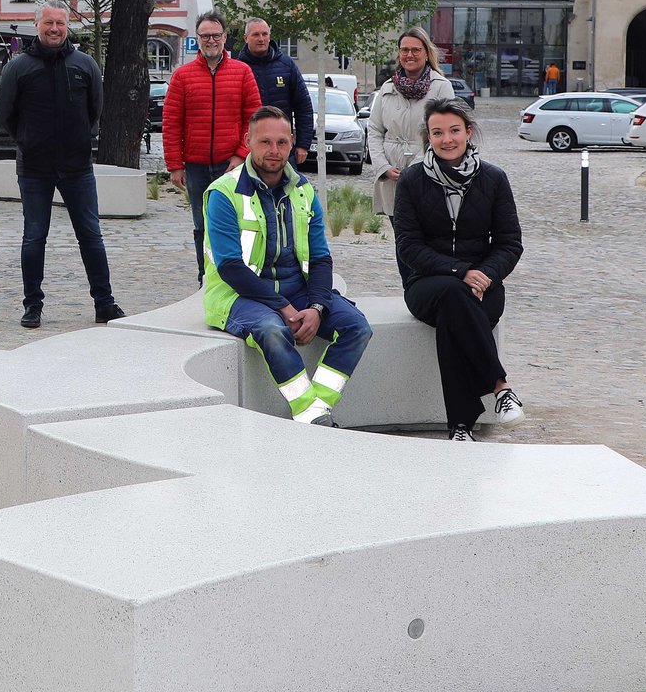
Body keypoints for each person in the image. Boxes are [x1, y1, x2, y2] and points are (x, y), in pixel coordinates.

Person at [202, 106, 371, 426]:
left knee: (357, 327)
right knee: (273, 329)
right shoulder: (223, 193)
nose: (274, 150)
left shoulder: (304, 191)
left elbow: (321, 258)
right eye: (265, 142)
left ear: (292, 142)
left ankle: (317, 406)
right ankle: (311, 413)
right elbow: (230, 268)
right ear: (247, 140)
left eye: (281, 142)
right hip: (240, 294)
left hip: (300, 289)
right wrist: (283, 308)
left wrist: (318, 306)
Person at [391, 98, 525, 441]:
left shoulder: (494, 179)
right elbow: (408, 247)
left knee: (455, 314)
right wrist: (461, 271)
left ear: (468, 132)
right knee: (453, 293)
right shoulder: (411, 180)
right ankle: (501, 387)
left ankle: (461, 427)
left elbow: (510, 243)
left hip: (485, 286)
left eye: (454, 130)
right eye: (438, 133)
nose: (447, 139)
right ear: (428, 137)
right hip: (424, 284)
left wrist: (485, 275)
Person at [0, 1, 126, 329]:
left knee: (91, 235)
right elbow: (4, 114)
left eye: (60, 24)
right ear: (36, 24)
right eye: (48, 23)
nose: (54, 29)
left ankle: (104, 303)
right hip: (34, 168)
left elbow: (94, 109)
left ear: (68, 27)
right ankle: (32, 306)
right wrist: (27, 140)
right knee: (34, 237)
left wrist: (79, 139)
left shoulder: (85, 65)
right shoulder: (18, 67)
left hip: (77, 166)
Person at [162, 11, 261, 281]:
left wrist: (241, 155)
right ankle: (205, 279)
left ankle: (240, 278)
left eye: (216, 35)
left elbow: (253, 119)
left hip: (232, 165)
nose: (211, 40)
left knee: (237, 223)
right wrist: (175, 165)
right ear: (197, 39)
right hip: (195, 166)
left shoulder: (242, 72)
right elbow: (171, 123)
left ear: (225, 38)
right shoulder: (183, 76)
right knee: (201, 226)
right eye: (205, 36)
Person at [366, 25, 457, 220]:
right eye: (405, 50)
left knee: (424, 239)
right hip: (392, 176)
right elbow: (374, 130)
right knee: (401, 239)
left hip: (428, 175)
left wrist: (417, 168)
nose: (410, 55)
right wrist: (383, 167)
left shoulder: (441, 87)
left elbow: (447, 133)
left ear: (426, 53)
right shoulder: (387, 88)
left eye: (416, 50)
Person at [233, 18, 315, 166]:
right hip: (248, 149)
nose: (261, 39)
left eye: (265, 34)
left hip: (282, 148)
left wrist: (303, 144)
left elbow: (303, 106)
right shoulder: (237, 68)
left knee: (287, 188)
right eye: (256, 35)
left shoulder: (286, 65)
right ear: (246, 38)